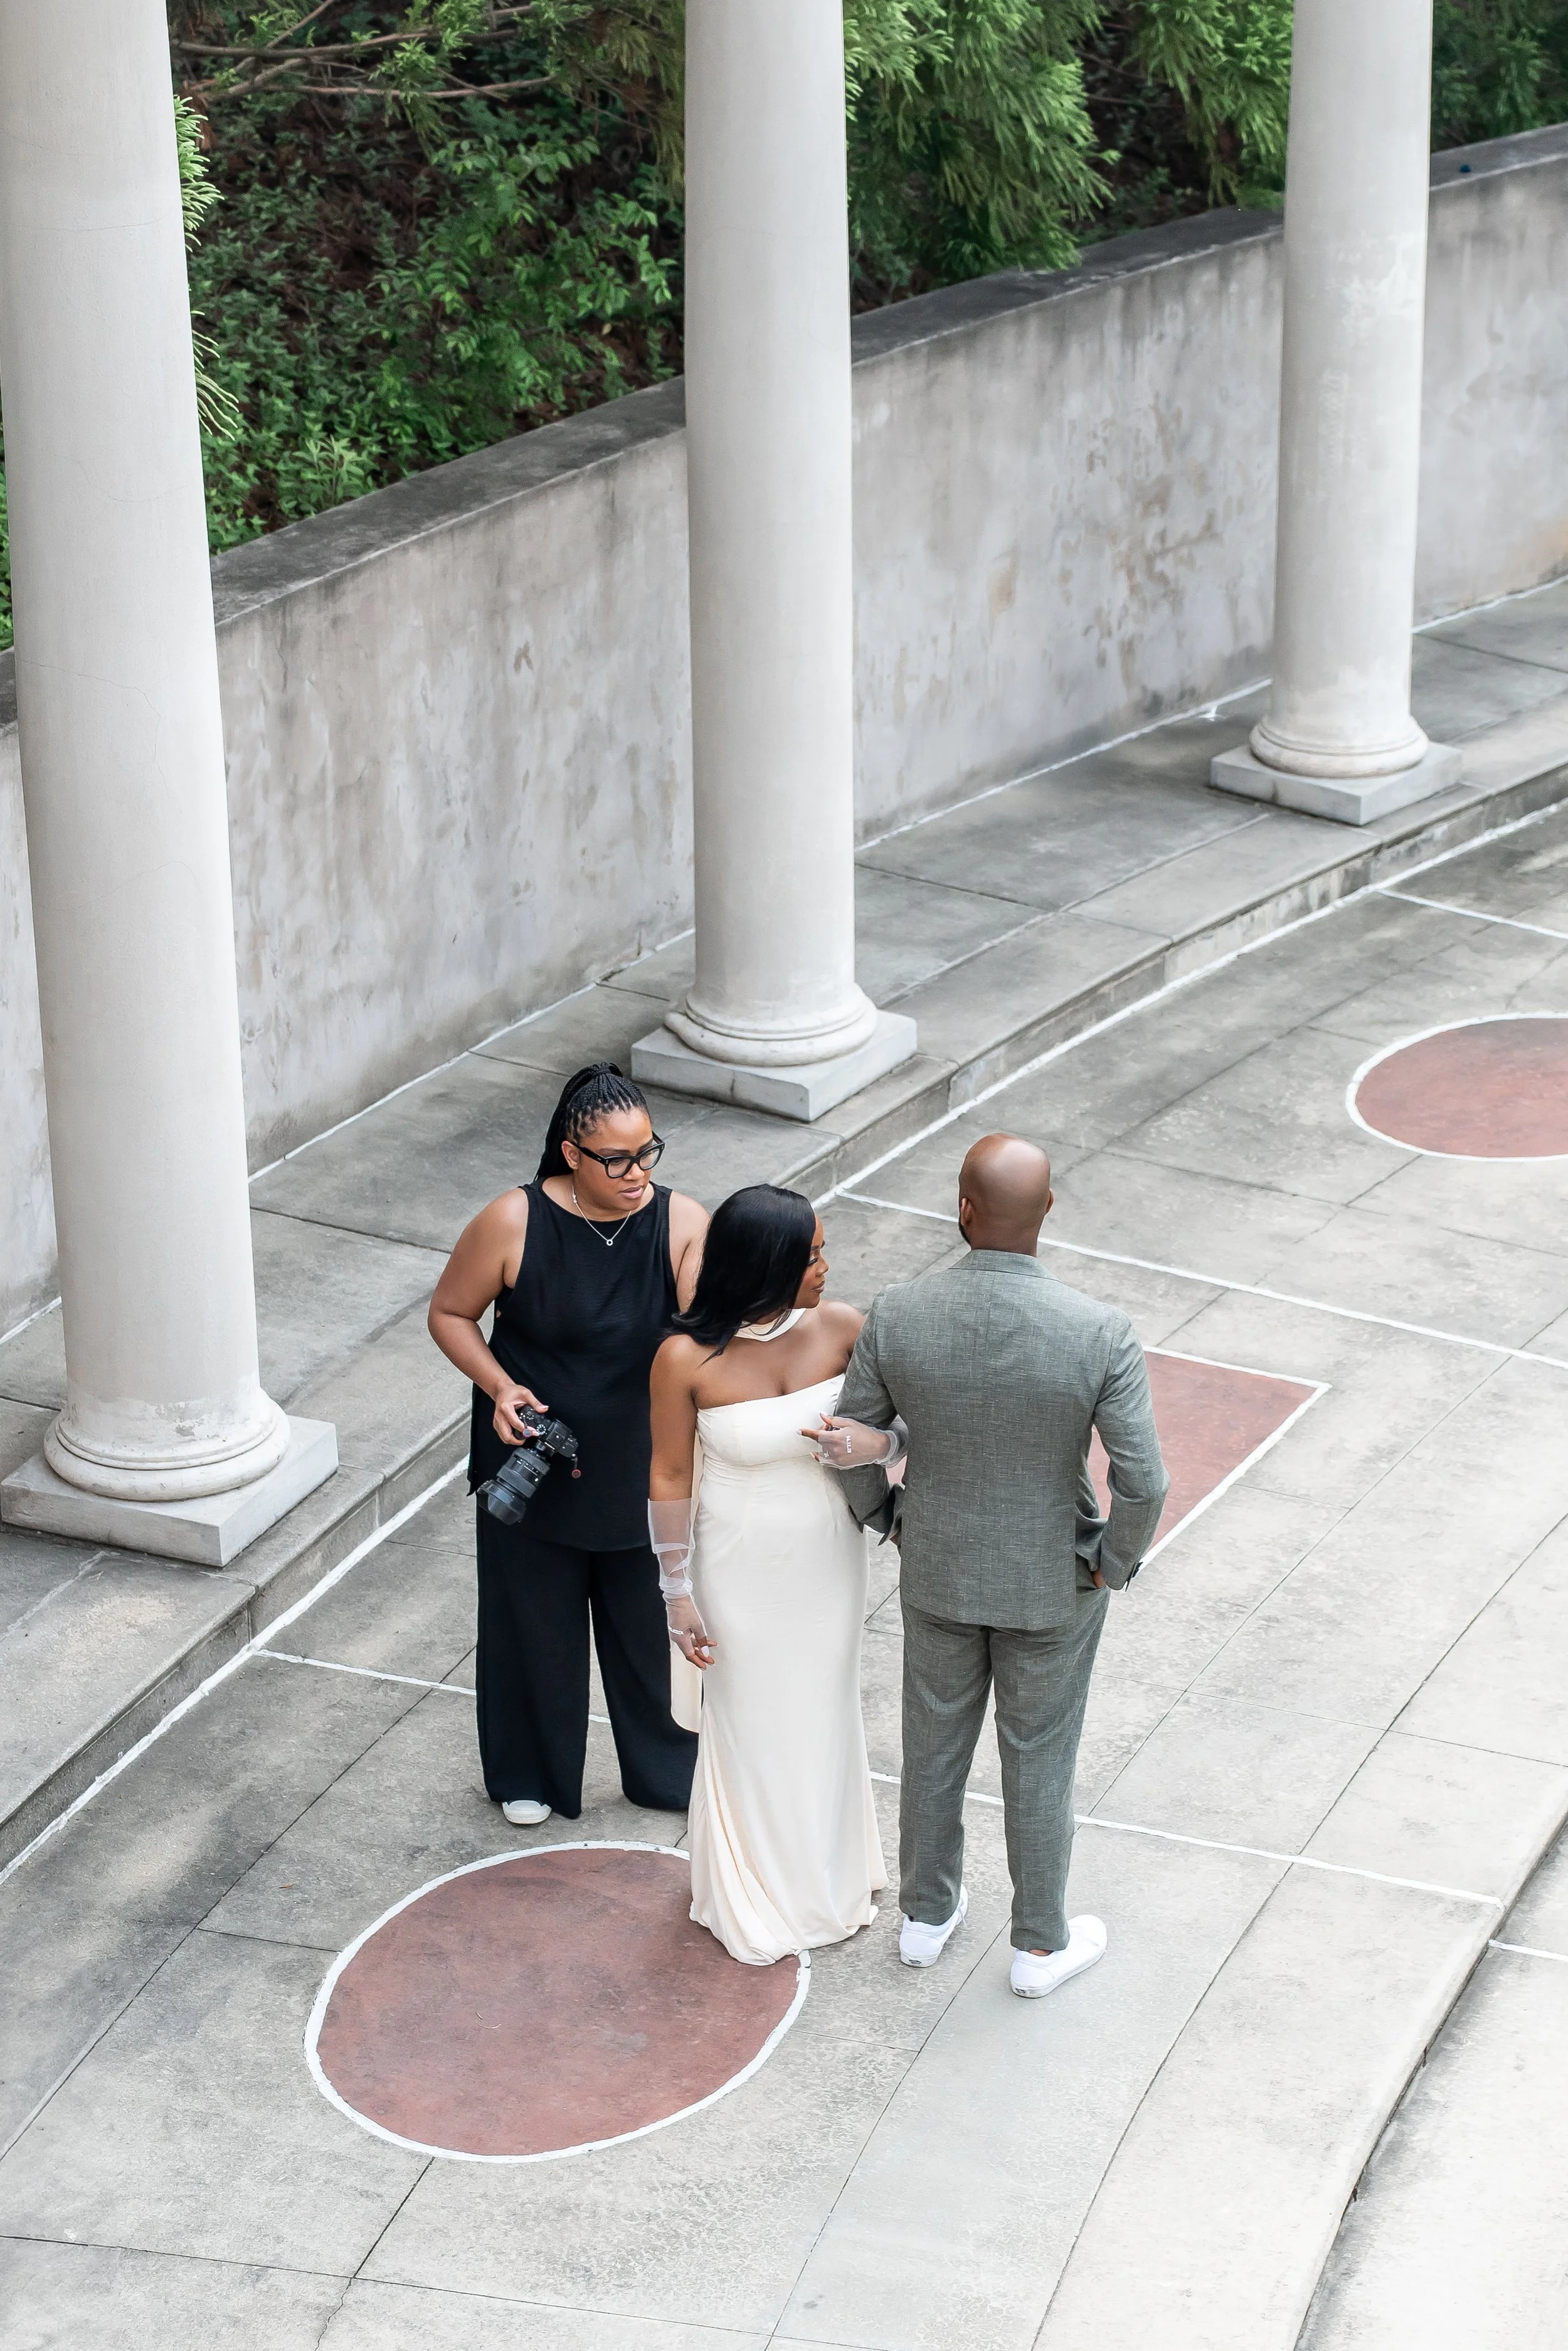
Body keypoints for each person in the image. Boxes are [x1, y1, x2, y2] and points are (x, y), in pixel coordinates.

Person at [824, 1133, 1167, 1999]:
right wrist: (1111, 1562)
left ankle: (924, 1919)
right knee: (1040, 1758)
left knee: (932, 1747)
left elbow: (850, 1440)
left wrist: (888, 1516)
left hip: (938, 1565)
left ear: (962, 1208)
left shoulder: (899, 1312)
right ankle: (1040, 1946)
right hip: (1053, 1580)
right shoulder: (1100, 1332)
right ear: (1048, 1212)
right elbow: (1144, 1480)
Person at [428, 1062, 709, 1827]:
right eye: (616, 1158)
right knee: (532, 1631)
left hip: (639, 1465)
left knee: (646, 1632)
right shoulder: (511, 1221)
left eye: (648, 1151)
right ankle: (530, 1772)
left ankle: (664, 1770)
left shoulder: (683, 1221)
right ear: (571, 1154)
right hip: (535, 1466)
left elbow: (703, 1332)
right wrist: (498, 1386)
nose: (637, 1172)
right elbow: (451, 1314)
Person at [648, 1186, 887, 1966]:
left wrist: (874, 1447)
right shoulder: (684, 1358)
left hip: (826, 1558)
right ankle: (756, 1888)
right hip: (735, 1564)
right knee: (751, 1719)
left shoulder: (844, 1327)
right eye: (811, 1254)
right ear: (766, 1266)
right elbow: (671, 1471)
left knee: (821, 1707)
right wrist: (676, 1591)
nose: (825, 1266)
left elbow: (909, 1424)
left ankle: (829, 1874)